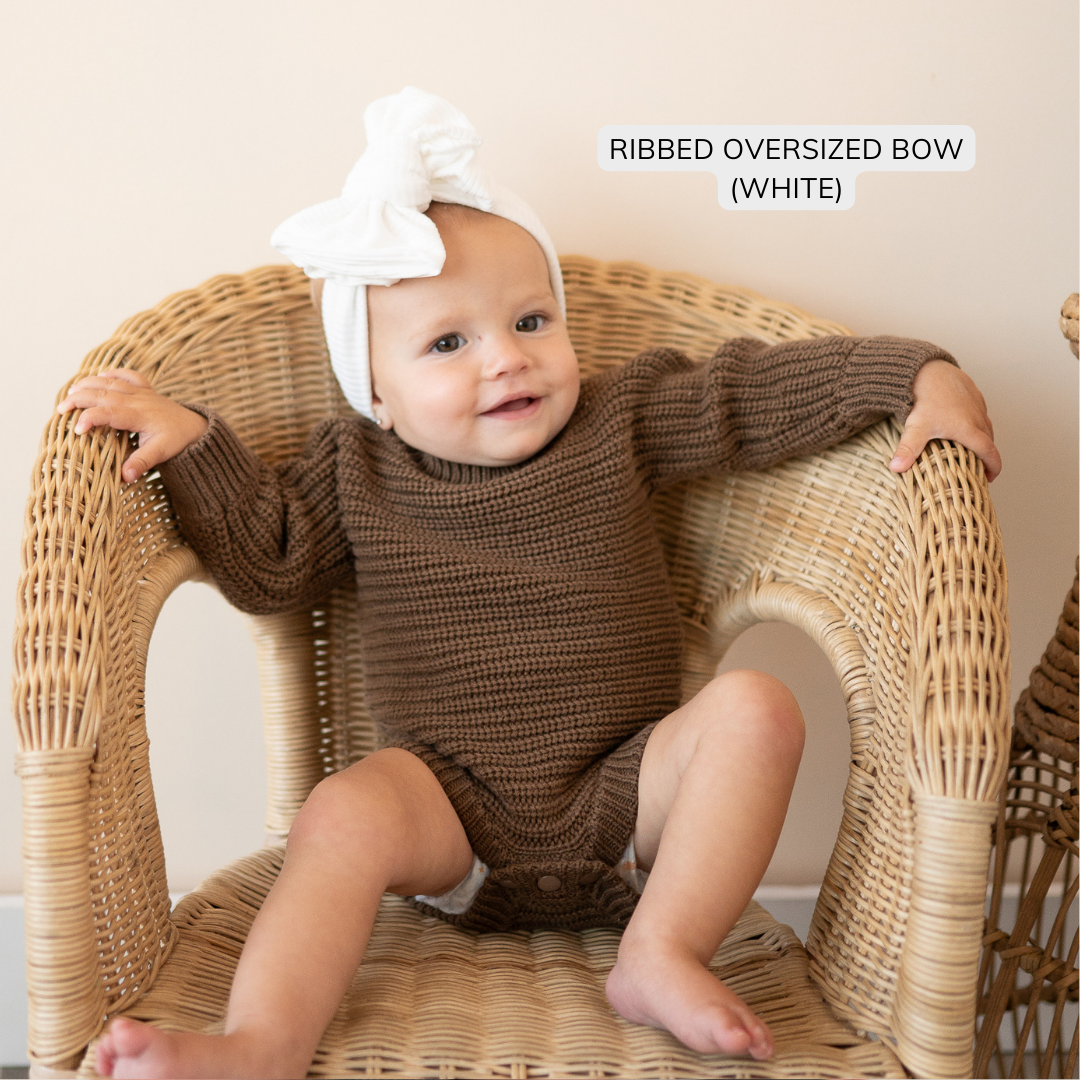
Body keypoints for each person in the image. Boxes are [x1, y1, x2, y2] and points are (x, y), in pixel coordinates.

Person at [57, 89, 1000, 1080]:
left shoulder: (618, 418)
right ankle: (259, 1043)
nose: (506, 357)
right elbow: (269, 563)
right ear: (374, 391)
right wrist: (195, 448)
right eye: (449, 343)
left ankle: (660, 951)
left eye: (530, 319)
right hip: (446, 809)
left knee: (759, 712)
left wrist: (916, 374)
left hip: (629, 792)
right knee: (340, 813)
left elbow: (753, 395)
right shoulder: (356, 470)